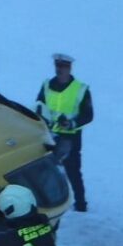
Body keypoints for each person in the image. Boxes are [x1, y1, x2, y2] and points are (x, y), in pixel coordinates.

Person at [35, 53, 92, 211]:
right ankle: (45, 201)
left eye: (63, 66)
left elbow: (88, 115)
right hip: (48, 134)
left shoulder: (81, 89)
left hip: (70, 136)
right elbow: (39, 105)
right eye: (57, 66)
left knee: (73, 170)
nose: (59, 69)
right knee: (44, 170)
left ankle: (81, 204)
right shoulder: (46, 85)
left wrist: (72, 123)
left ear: (69, 68)